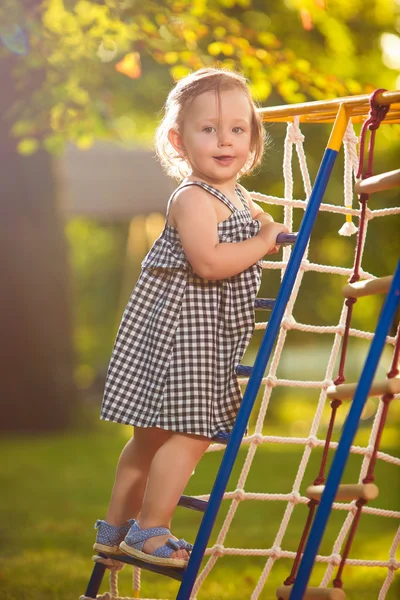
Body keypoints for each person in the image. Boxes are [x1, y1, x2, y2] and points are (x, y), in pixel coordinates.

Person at [93, 67, 289, 569]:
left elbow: (250, 223)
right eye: (209, 129)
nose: (225, 140)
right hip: (185, 335)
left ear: (253, 137)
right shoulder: (194, 197)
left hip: (194, 332)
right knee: (194, 431)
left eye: (238, 129)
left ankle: (115, 530)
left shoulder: (236, 194)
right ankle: (151, 530)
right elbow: (208, 262)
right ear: (179, 141)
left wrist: (265, 225)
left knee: (151, 436)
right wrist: (264, 242)